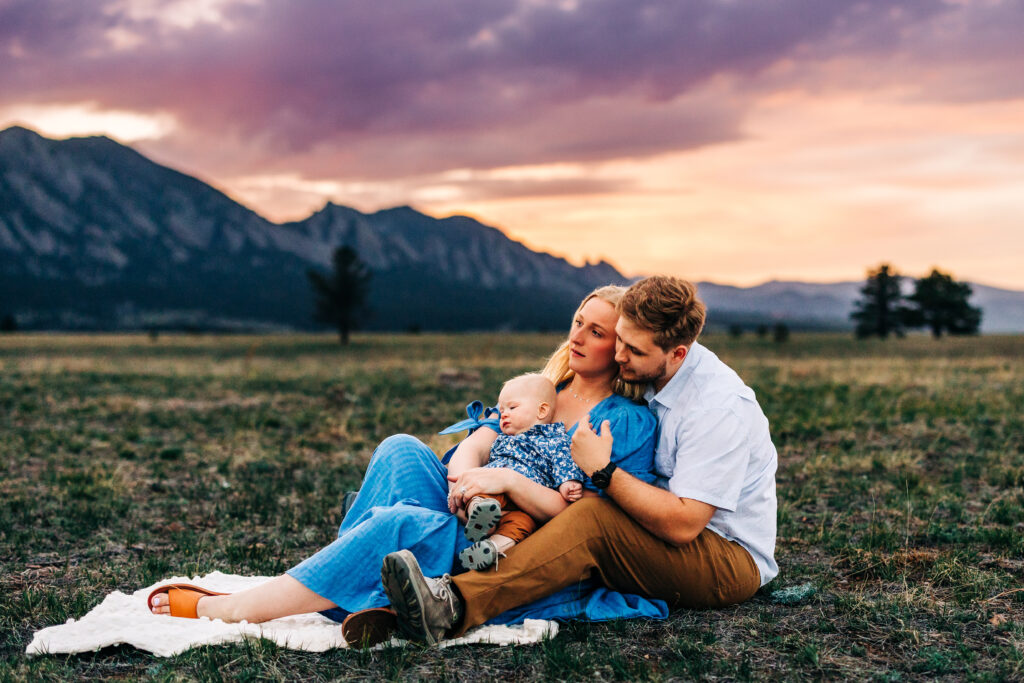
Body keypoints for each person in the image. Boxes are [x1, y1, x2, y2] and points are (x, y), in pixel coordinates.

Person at [147, 285, 656, 646]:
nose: (579, 336)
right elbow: (486, 435)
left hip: (510, 540)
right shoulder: (545, 389)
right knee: (400, 448)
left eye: (598, 332)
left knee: (398, 523)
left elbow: (584, 526)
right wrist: (467, 469)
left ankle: (233, 608)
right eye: (577, 323)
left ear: (623, 348)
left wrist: (505, 481)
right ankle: (386, 590)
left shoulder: (621, 420)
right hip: (470, 501)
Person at [381, 275, 779, 645]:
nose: (619, 356)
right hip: (656, 529)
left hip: (726, 556)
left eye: (634, 350)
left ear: (677, 353)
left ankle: (451, 604)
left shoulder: (717, 407)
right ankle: (403, 549)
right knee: (577, 510)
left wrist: (602, 471)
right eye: (619, 339)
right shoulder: (651, 373)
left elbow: (683, 524)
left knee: (592, 518)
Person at [456, 373, 583, 571]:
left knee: (522, 526)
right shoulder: (502, 438)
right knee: (482, 498)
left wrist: (568, 482)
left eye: (512, 408)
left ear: (541, 411)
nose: (503, 414)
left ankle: (490, 549)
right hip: (495, 489)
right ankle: (480, 519)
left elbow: (563, 462)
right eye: (502, 410)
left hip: (526, 503)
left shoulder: (554, 439)